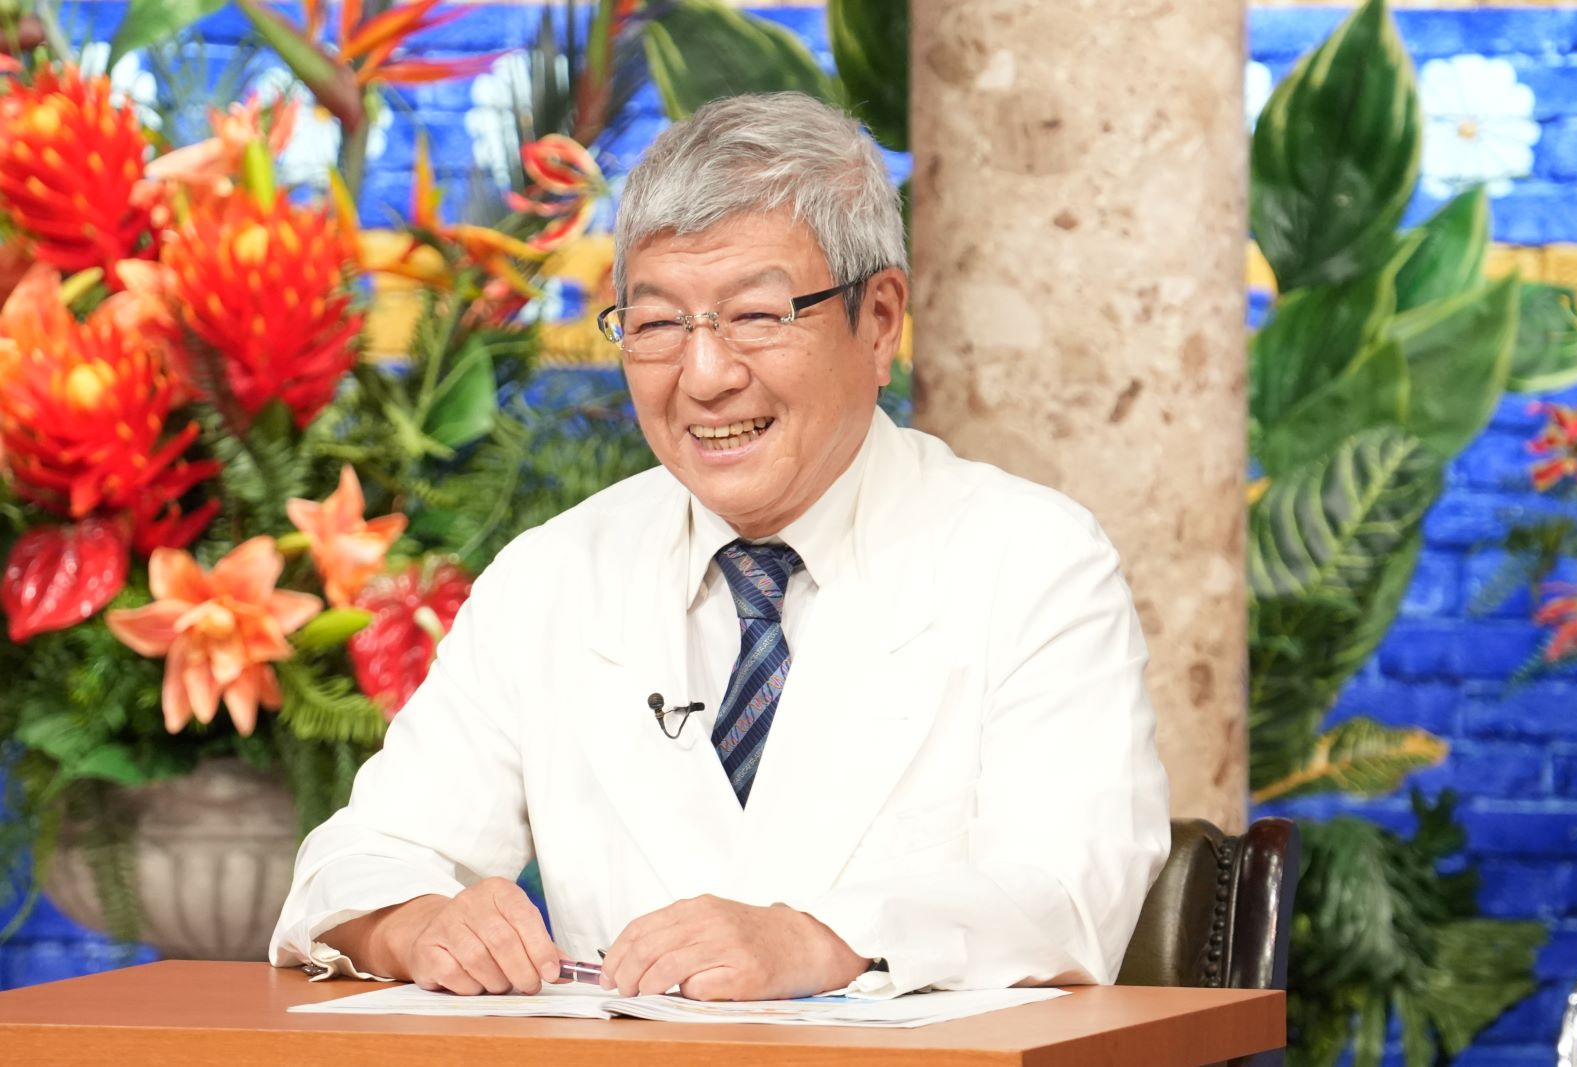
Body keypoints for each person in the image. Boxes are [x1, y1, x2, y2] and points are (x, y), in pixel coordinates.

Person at [269, 91, 1170, 1001]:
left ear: (880, 319)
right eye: (658, 323)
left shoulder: (1034, 561)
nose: (704, 377)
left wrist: (820, 940)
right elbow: (357, 858)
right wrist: (416, 921)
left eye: (757, 315)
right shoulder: (554, 573)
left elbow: (1067, 893)